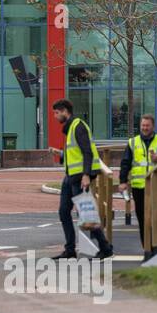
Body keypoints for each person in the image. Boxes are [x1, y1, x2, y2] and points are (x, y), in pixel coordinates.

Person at [50, 99, 112, 260]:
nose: (55, 116)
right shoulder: (70, 128)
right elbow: (75, 154)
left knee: (86, 214)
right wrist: (61, 154)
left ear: (65, 111)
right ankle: (70, 249)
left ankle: (106, 248)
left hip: (79, 178)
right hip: (70, 177)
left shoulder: (78, 126)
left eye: (56, 113)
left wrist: (86, 175)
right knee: (64, 212)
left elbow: (87, 152)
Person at [117, 114, 157, 236]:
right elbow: (125, 163)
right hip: (139, 187)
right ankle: (148, 250)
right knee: (142, 219)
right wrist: (123, 181)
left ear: (153, 126)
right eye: (143, 125)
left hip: (156, 186)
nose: (145, 128)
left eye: (147, 125)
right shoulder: (133, 142)